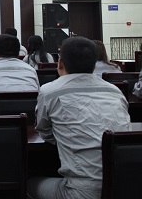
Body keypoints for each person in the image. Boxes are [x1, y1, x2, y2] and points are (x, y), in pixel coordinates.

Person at [28, 36, 131, 199]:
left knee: (29, 183)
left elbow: (43, 130)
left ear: (60, 63)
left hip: (81, 192)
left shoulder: (50, 91)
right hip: (125, 187)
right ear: (94, 64)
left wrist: (66, 137)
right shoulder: (115, 91)